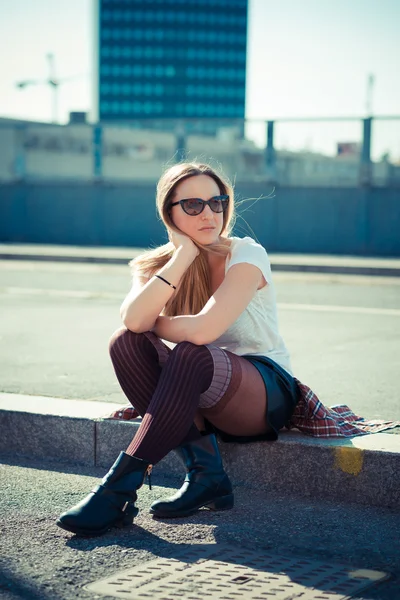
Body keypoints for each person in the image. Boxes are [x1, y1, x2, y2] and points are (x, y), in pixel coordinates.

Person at [56, 161, 399, 537]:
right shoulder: (158, 265)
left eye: (217, 202)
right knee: (125, 343)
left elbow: (203, 329)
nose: (209, 214)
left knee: (190, 351)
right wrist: (183, 255)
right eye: (192, 206)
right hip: (197, 386)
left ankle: (116, 490)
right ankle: (207, 476)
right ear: (168, 213)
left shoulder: (247, 254)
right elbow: (132, 325)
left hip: (263, 390)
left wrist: (158, 320)